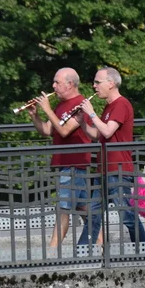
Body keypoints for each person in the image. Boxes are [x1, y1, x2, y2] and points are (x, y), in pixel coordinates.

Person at [80, 67, 145, 247]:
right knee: (93, 216)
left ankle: (144, 249)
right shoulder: (109, 106)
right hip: (104, 169)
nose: (94, 86)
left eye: (98, 82)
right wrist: (82, 122)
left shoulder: (121, 104)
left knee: (127, 216)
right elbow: (97, 134)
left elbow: (108, 131)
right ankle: (81, 253)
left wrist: (91, 113)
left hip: (118, 170)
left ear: (111, 83)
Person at [26, 68, 94, 249]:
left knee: (63, 208)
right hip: (65, 163)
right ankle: (101, 243)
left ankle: (52, 251)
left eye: (57, 82)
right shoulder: (61, 105)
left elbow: (64, 131)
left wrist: (47, 109)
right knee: (84, 209)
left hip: (74, 162)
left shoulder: (80, 104)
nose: (53, 86)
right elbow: (47, 130)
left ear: (70, 84)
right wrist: (35, 116)